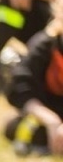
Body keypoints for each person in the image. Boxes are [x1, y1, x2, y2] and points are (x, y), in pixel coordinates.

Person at [4, 17, 63, 155]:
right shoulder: (45, 44)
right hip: (48, 113)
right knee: (16, 128)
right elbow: (19, 86)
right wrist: (50, 120)